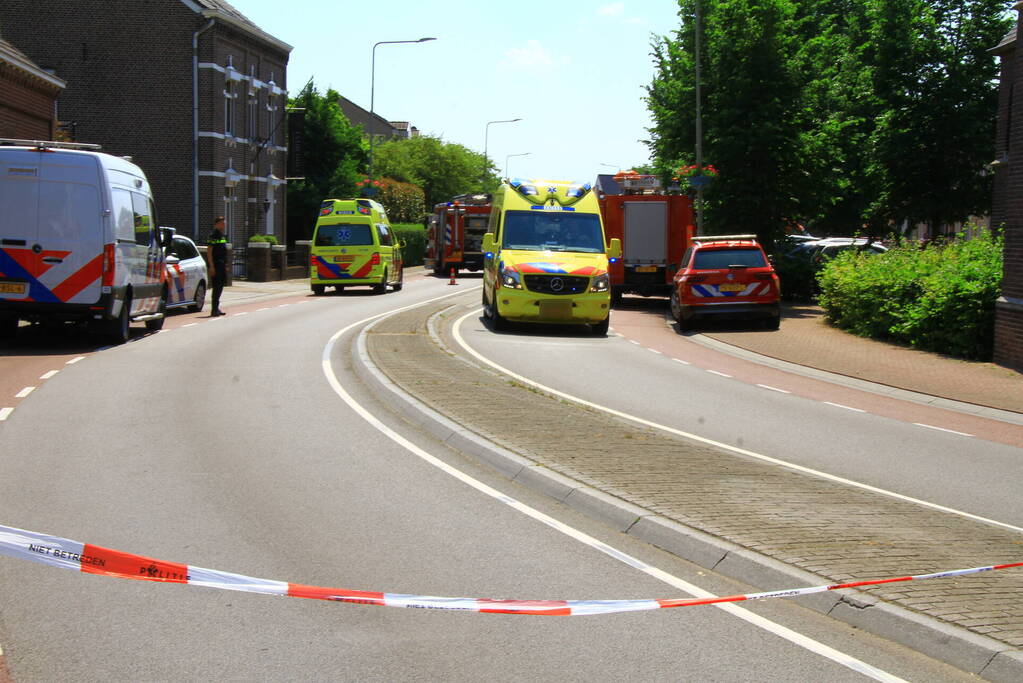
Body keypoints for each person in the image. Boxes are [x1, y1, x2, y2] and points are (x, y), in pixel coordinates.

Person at [207, 216, 228, 316]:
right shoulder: (213, 235)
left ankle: (216, 308)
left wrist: (226, 264)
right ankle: (214, 309)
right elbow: (209, 251)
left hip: (222, 263)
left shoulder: (222, 235)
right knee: (216, 286)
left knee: (220, 286)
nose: (224, 224)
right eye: (222, 223)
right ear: (217, 224)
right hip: (216, 264)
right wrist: (211, 266)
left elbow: (224, 250)